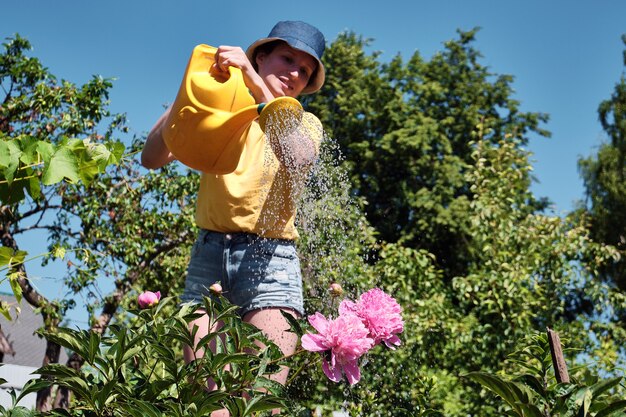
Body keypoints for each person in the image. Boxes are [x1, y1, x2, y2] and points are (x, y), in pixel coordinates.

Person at [141, 21, 326, 416]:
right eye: (287, 58)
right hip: (209, 257)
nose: (294, 72)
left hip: (271, 262)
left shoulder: (305, 124)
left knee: (262, 405)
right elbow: (152, 157)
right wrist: (189, 93)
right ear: (261, 57)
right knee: (208, 405)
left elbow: (298, 157)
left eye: (305, 70)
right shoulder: (225, 113)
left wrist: (257, 87)